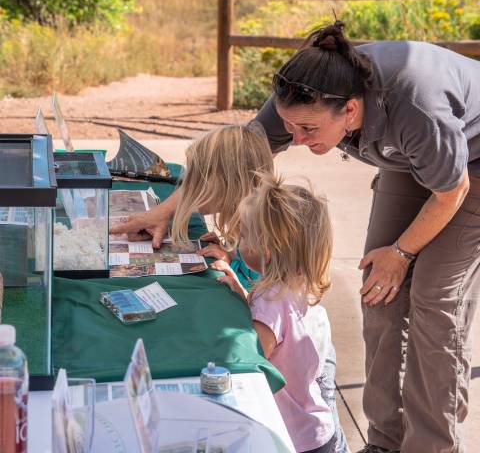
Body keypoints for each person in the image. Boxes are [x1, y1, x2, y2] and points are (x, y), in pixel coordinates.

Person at [253, 21, 480, 453]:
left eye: (308, 130)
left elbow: (451, 191)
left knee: (434, 300)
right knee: (379, 290)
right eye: (289, 126)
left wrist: (401, 252)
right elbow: (237, 154)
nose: (295, 139)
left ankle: (432, 447)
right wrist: (170, 210)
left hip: (471, 170)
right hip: (420, 156)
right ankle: (384, 442)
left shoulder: (417, 105)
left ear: (352, 112)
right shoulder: (306, 93)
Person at [110, 123, 350, 452]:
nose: (188, 185)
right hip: (308, 399)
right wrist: (238, 278)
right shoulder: (282, 267)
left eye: (244, 241)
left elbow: (250, 358)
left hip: (299, 433)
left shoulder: (271, 294)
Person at [212, 173, 337, 453]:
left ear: (264, 251)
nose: (238, 242)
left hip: (291, 437)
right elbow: (283, 335)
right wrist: (243, 294)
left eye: (243, 235)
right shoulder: (299, 286)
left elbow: (250, 359)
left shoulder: (272, 302)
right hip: (315, 427)